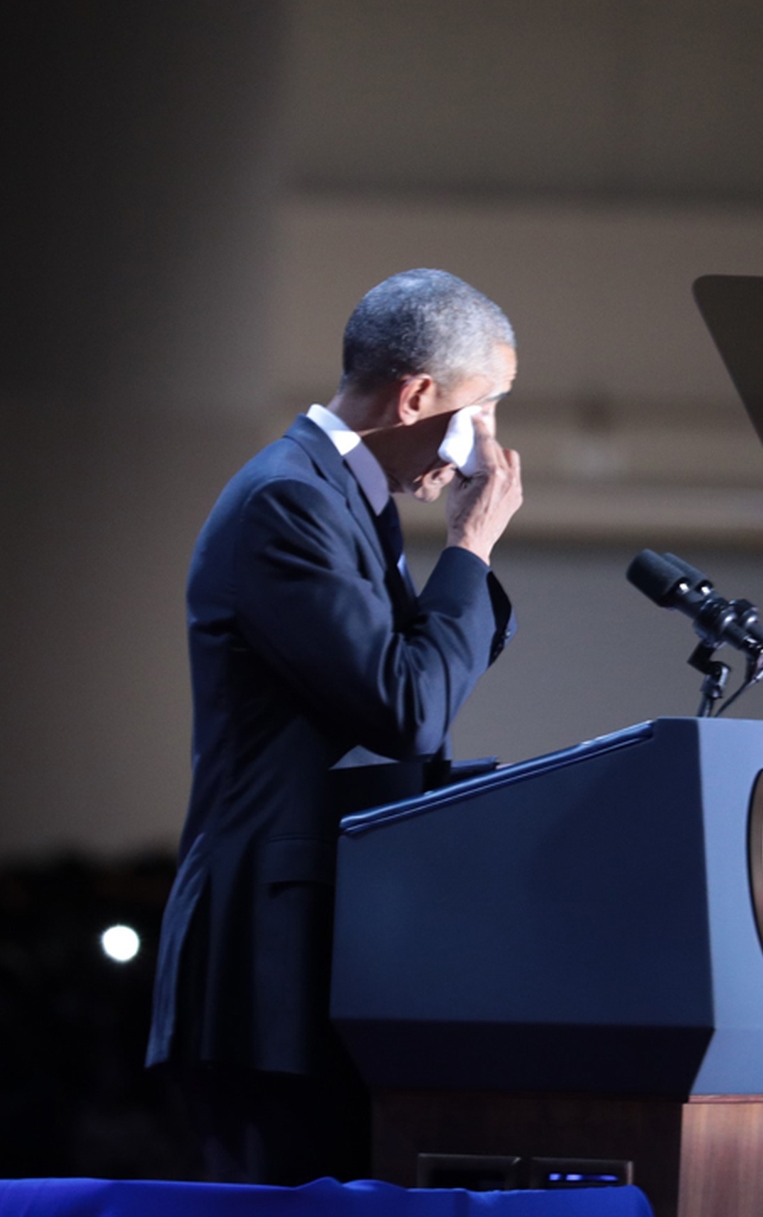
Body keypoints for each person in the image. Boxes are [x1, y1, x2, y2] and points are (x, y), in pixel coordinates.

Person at [145, 269, 524, 1186]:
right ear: (419, 396)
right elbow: (409, 710)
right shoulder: (290, 499)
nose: (492, 446)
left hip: (329, 948)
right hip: (264, 965)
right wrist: (470, 548)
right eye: (491, 408)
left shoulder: (346, 500)